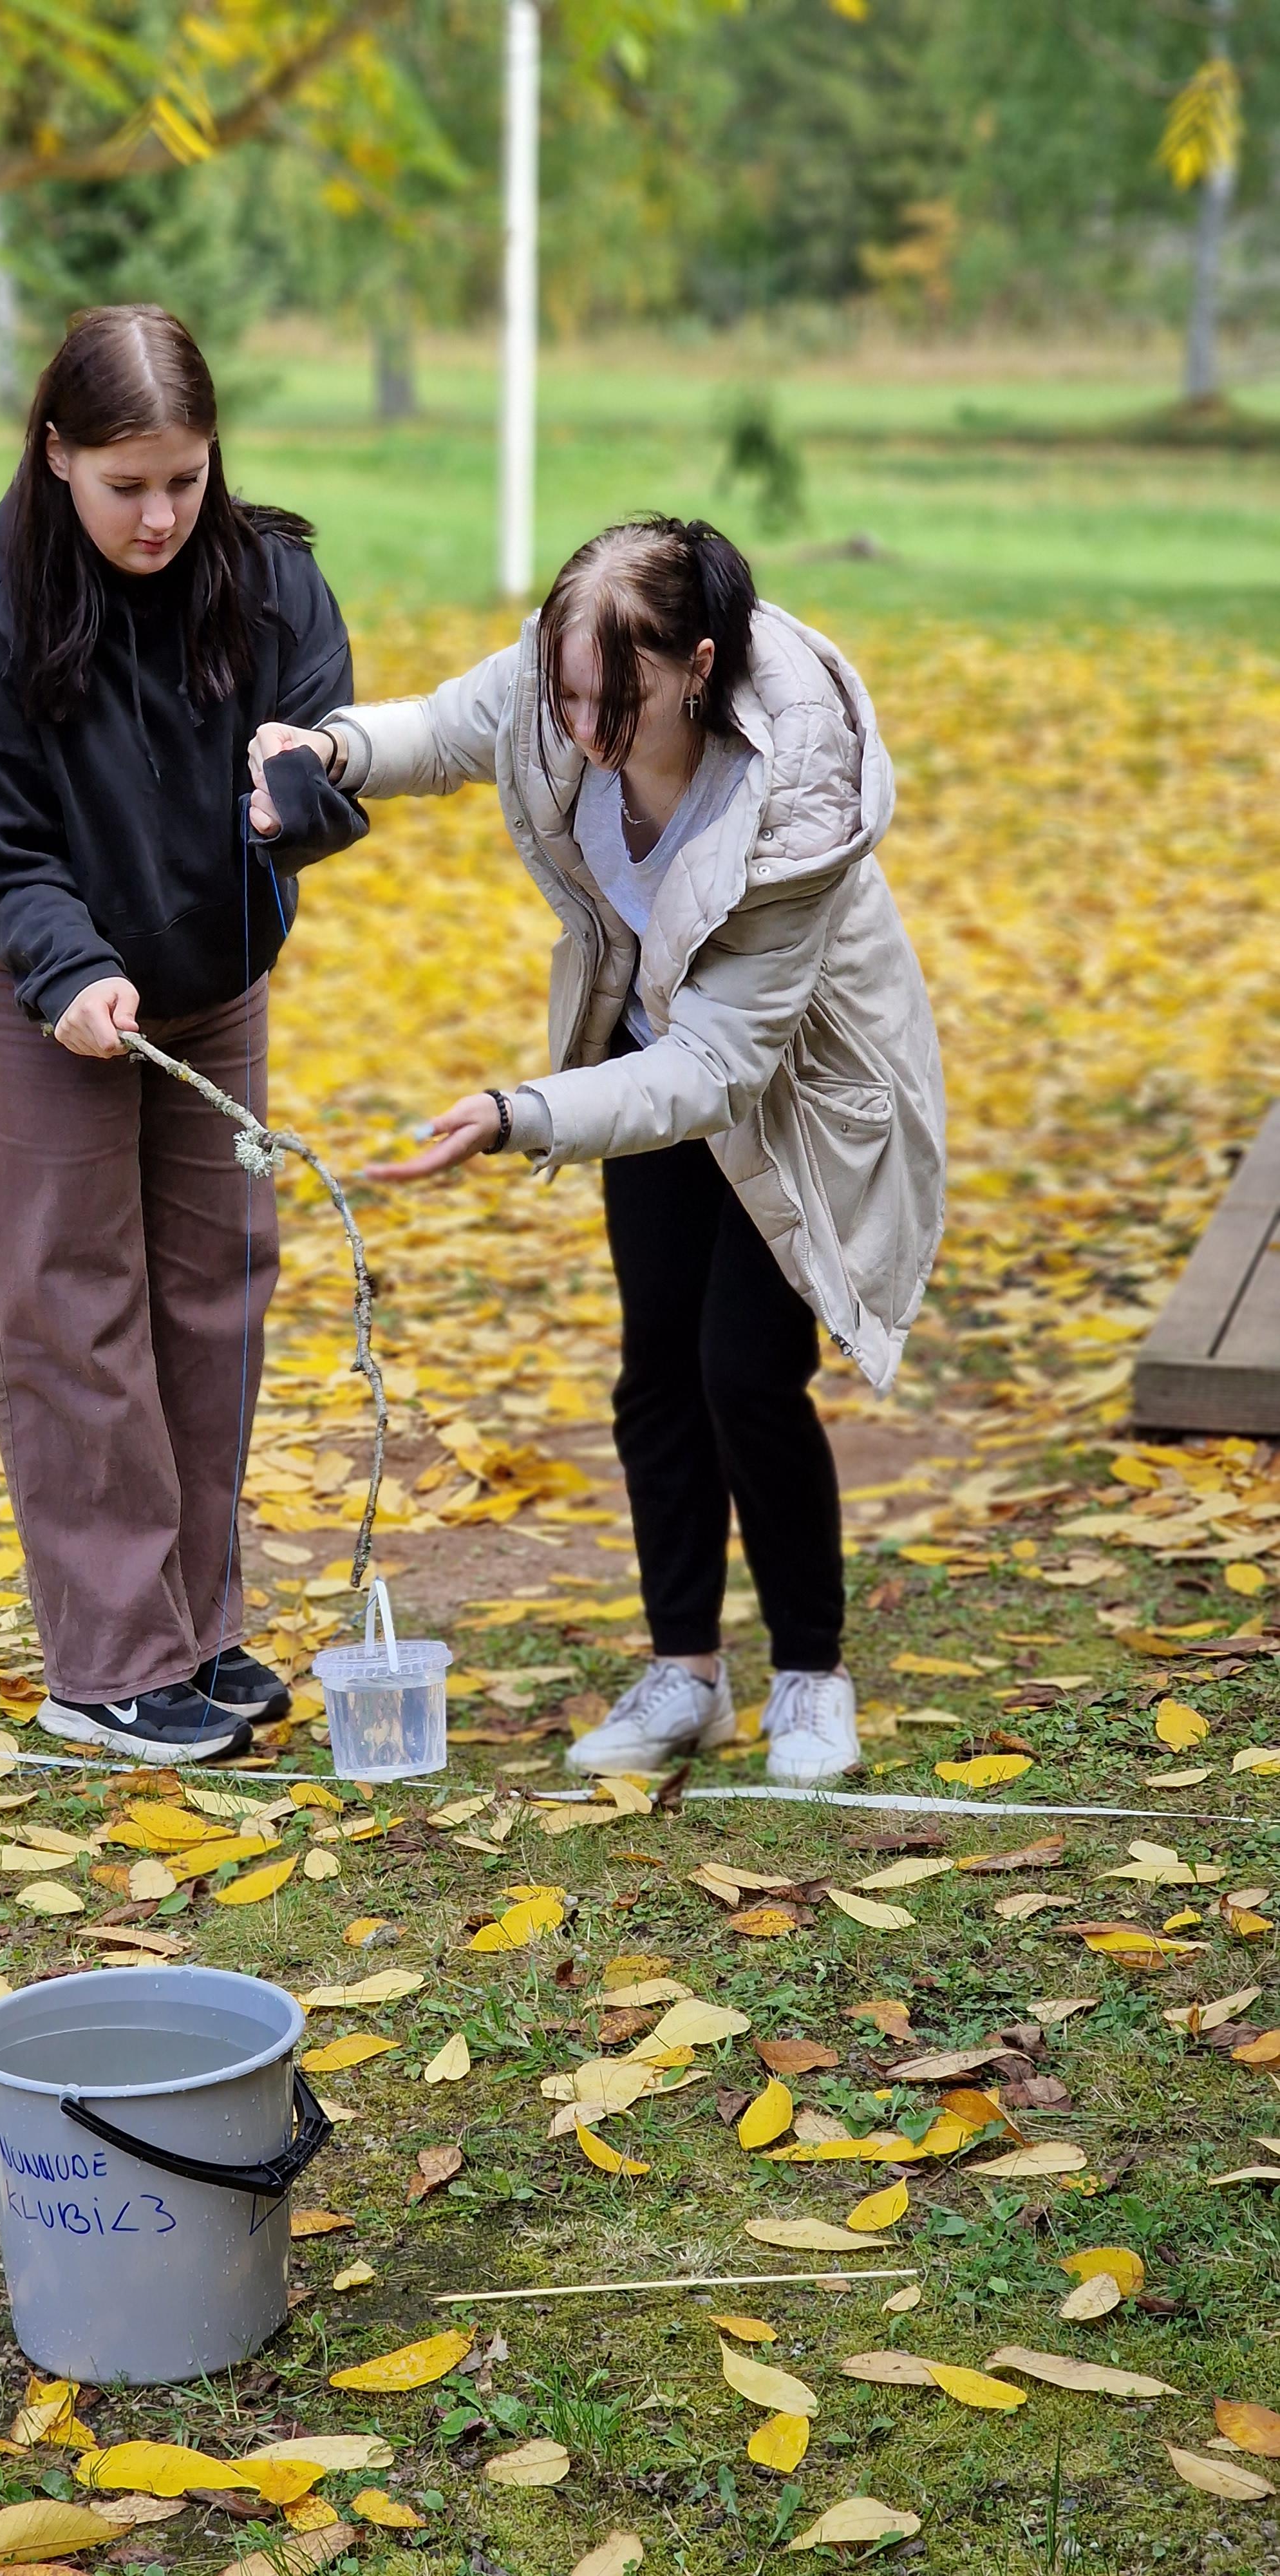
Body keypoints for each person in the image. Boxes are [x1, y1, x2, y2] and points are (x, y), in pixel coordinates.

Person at [249, 515, 943, 1788]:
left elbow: (722, 1067)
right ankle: (686, 1672)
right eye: (565, 697)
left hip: (790, 1085)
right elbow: (445, 731)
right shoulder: (564, 677)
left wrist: (523, 1112)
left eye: (612, 704)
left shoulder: (794, 800)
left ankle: (811, 1670)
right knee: (655, 1371)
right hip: (642, 1056)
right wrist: (330, 748)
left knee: (747, 1372)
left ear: (698, 666)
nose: (579, 728)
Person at [0, 305, 364, 1763]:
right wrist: (70, 971)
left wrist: (302, 792)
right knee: (77, 1302)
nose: (161, 515)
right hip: (51, 985)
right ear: (58, 454)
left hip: (214, 978)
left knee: (216, 1287)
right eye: (127, 485)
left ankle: (196, 1624)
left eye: (186, 476)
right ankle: (110, 1659)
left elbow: (331, 750)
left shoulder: (272, 579)